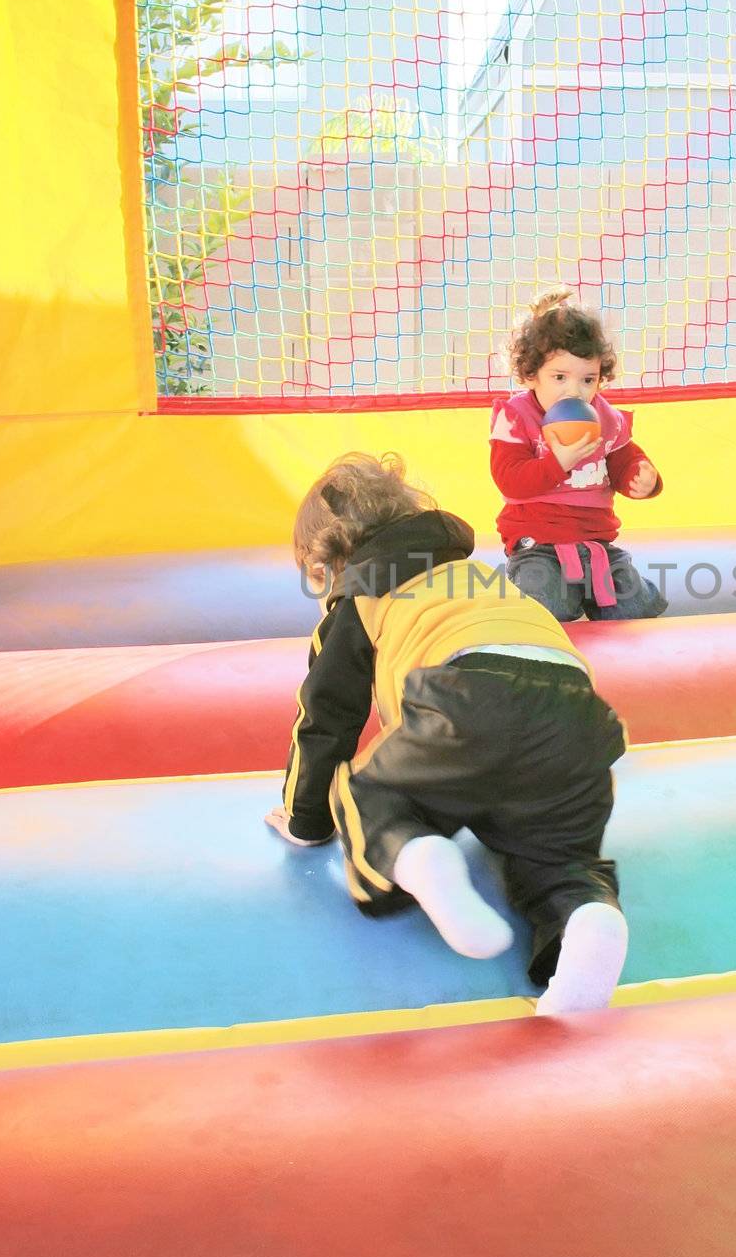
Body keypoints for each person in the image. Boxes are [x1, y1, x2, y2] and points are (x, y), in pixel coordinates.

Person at [264, 450, 629, 1015]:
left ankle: (418, 855)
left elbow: (327, 720)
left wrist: (304, 819)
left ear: (328, 561)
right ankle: (585, 917)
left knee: (368, 795)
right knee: (556, 854)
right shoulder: (480, 575)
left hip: (465, 694)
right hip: (579, 713)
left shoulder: (361, 597)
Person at [490, 285, 668, 621]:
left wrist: (642, 477)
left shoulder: (604, 416)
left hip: (596, 544)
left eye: (588, 379)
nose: (576, 390)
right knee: (547, 606)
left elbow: (623, 459)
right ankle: (523, 588)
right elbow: (509, 481)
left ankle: (603, 591)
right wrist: (557, 463)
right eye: (560, 377)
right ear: (531, 375)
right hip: (538, 544)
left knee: (634, 608)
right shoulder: (517, 417)